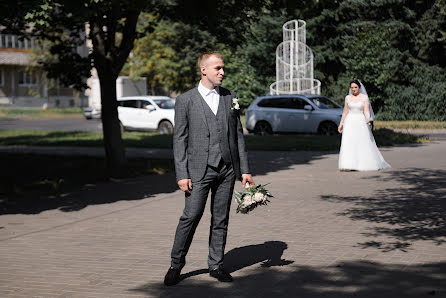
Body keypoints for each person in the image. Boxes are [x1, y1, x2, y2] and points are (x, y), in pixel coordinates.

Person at [164, 52, 255, 286]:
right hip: (197, 171)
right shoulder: (186, 100)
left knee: (221, 218)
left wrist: (244, 169)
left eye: (223, 68)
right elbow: (179, 140)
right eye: (218, 68)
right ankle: (176, 264)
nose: (222, 72)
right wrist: (182, 174)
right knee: (191, 216)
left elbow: (237, 136)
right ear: (204, 70)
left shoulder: (229, 97)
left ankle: (216, 265)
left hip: (226, 169)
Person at [338, 79, 390, 171]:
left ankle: (363, 163)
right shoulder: (348, 98)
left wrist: (367, 118)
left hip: (360, 121)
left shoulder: (364, 97)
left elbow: (366, 110)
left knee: (362, 142)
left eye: (355, 87)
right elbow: (345, 111)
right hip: (349, 121)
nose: (354, 89)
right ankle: (348, 164)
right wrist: (341, 123)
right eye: (352, 87)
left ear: (359, 87)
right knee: (349, 142)